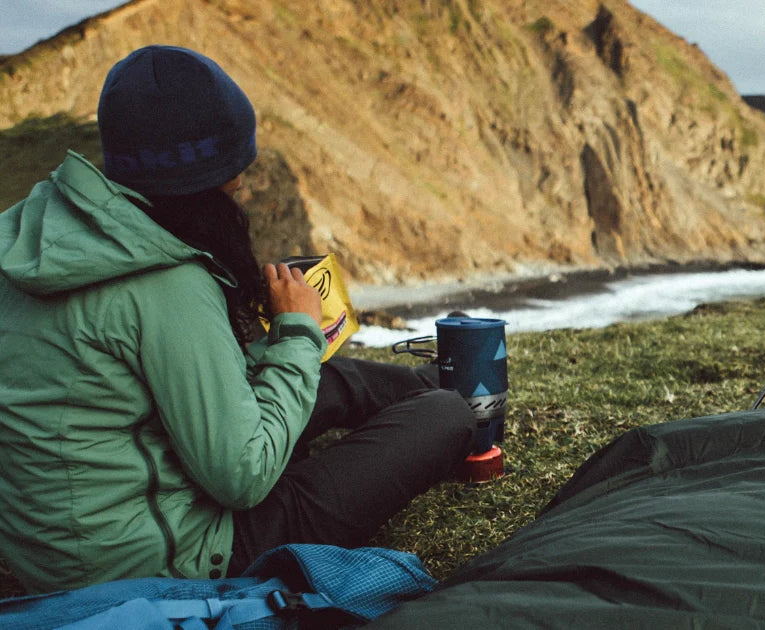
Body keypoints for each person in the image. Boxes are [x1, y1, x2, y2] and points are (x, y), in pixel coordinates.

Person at [0, 45, 474, 593]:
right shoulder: (166, 284)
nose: (244, 183)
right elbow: (243, 476)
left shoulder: (33, 239)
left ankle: (432, 381)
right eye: (235, 170)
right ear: (202, 173)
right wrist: (297, 329)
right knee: (445, 416)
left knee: (335, 380)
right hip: (161, 564)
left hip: (59, 546)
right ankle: (459, 402)